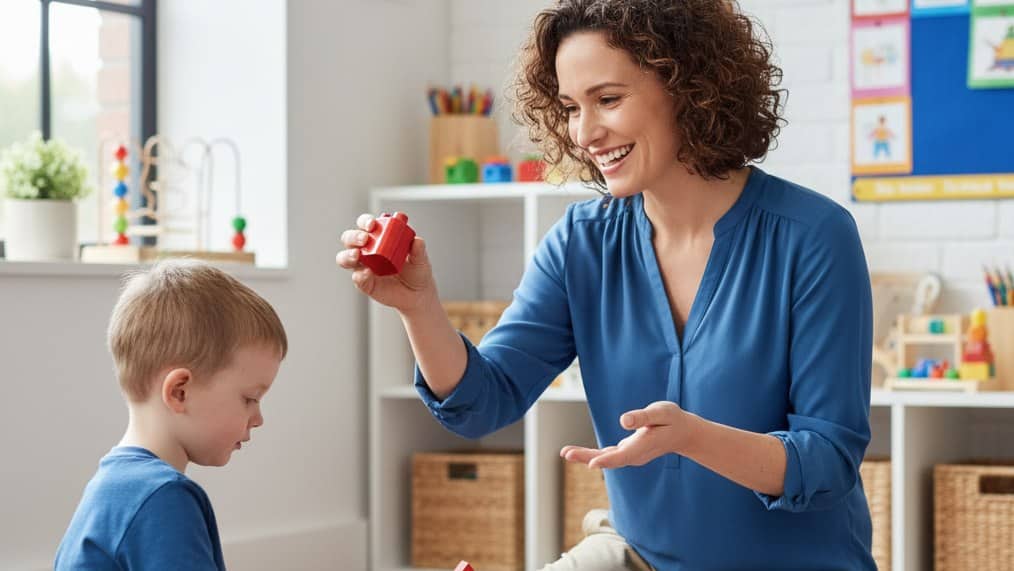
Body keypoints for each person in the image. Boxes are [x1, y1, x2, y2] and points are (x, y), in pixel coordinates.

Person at [337, 0, 875, 568]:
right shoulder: (582, 243)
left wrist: (691, 437)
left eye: (608, 100)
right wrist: (420, 309)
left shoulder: (813, 236)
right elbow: (482, 403)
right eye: (570, 107)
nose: (584, 133)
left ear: (689, 87)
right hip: (639, 556)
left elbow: (827, 462)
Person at [55, 259, 288, 570]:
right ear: (180, 391)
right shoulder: (163, 498)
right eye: (250, 398)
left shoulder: (114, 486)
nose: (258, 418)